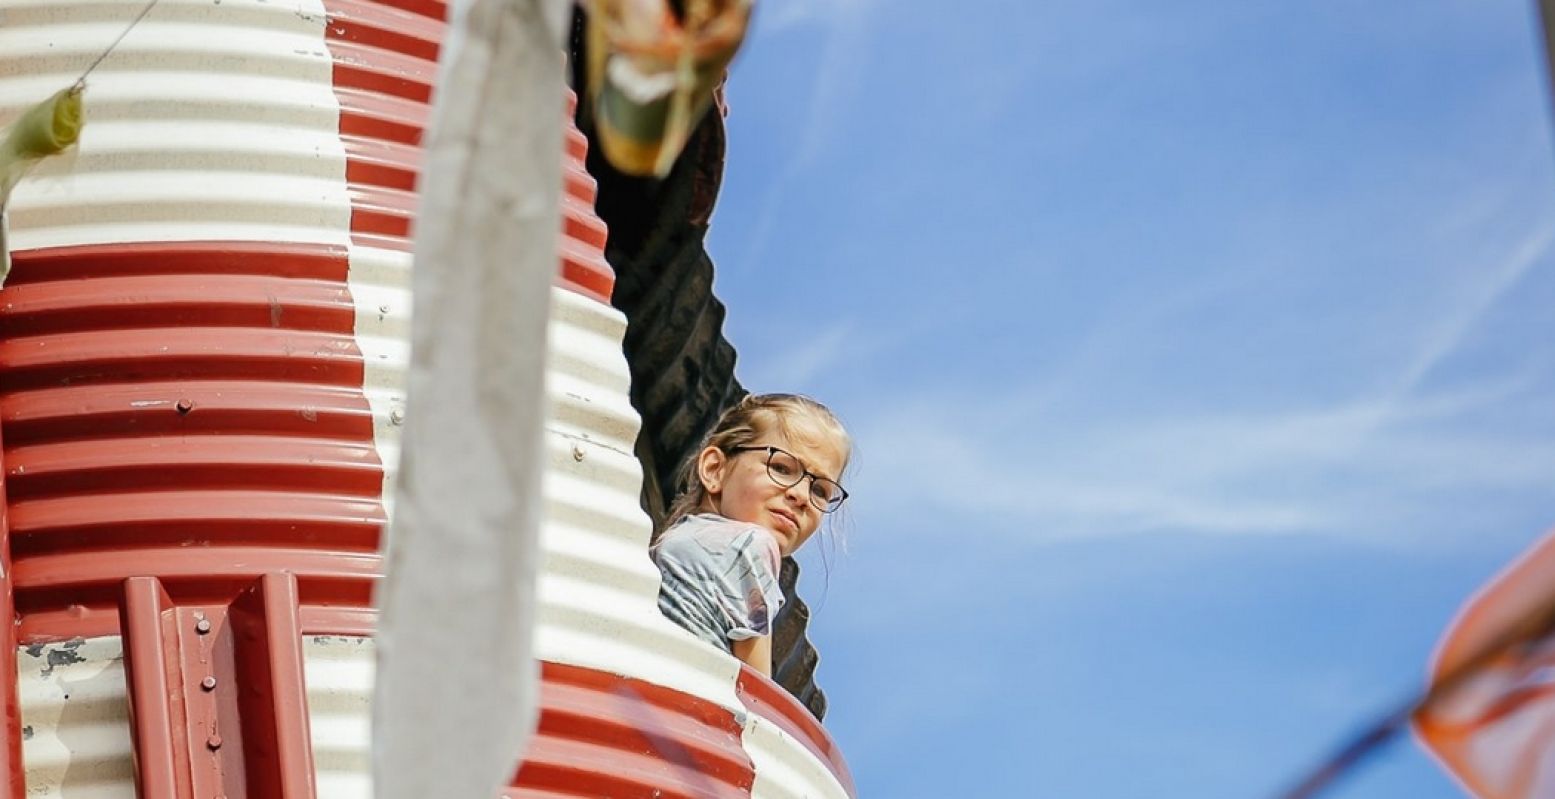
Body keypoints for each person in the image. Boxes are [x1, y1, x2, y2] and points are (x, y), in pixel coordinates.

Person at [651, 393, 851, 676]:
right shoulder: (752, 545)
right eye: (781, 468)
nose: (802, 495)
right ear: (714, 469)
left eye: (819, 490)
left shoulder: (673, 543)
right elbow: (757, 700)